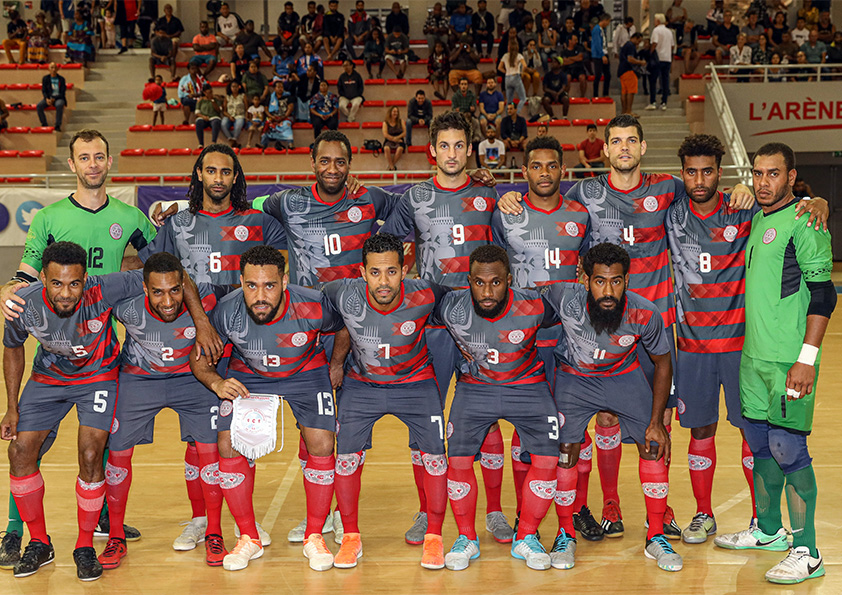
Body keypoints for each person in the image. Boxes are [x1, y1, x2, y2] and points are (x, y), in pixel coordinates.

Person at [1, 241, 211, 580]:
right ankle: (39, 542)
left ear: (88, 279)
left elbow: (176, 275)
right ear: (43, 278)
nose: (66, 293)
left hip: (98, 377)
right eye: (56, 284)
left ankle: (85, 545)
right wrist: (11, 407)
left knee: (90, 453)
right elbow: (12, 349)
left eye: (74, 283)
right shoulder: (24, 304)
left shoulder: (108, 287)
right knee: (20, 450)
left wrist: (201, 322)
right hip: (48, 379)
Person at [380, 112, 509, 544]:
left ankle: (493, 511)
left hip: (482, 323)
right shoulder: (413, 198)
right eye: (444, 146)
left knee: (487, 419)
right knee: (427, 419)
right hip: (431, 323)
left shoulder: (488, 195)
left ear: (469, 150)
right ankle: (426, 510)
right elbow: (386, 252)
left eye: (460, 145)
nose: (452, 153)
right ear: (431, 150)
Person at [714, 142, 834, 585]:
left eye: (773, 174)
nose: (764, 182)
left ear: (790, 176)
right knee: (761, 447)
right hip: (753, 358)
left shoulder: (805, 219)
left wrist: (806, 359)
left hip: (788, 360)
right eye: (758, 173)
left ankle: (808, 551)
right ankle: (769, 532)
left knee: (788, 449)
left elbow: (824, 294)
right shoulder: (757, 219)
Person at [190, 246, 343, 572]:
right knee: (227, 443)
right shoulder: (226, 311)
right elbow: (199, 356)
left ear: (284, 281)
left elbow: (341, 329)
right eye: (251, 286)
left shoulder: (312, 305)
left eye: (269, 286)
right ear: (241, 282)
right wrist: (217, 383)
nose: (260, 295)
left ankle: (315, 535)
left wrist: (337, 365)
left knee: (322, 442)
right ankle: (248, 537)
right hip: (249, 375)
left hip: (305, 372)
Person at [545, 242, 680, 572]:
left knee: (652, 446)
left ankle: (656, 535)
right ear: (585, 280)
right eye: (600, 281)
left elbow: (663, 364)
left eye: (616, 281)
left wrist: (657, 421)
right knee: (565, 450)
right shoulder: (562, 296)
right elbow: (517, 304)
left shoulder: (644, 312)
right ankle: (565, 533)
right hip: (575, 379)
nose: (608, 290)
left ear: (627, 281)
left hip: (623, 377)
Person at [322, 233, 449, 570]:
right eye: (375, 272)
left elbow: (467, 312)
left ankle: (434, 537)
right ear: (362, 272)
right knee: (346, 458)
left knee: (436, 458)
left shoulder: (427, 293)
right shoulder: (341, 293)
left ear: (405, 269)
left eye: (392, 272)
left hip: (416, 383)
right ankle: (350, 536)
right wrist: (335, 364)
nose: (383, 281)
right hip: (363, 386)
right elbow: (324, 322)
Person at [96, 254, 228, 570]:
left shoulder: (208, 295)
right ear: (144, 289)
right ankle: (115, 535)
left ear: (185, 287)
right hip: (139, 380)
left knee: (210, 450)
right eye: (157, 292)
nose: (167, 300)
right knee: (117, 453)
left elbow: (244, 298)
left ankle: (213, 531)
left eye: (174, 291)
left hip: (191, 378)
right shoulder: (124, 304)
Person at [436, 245, 560, 572]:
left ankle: (527, 537)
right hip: (476, 389)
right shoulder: (450, 307)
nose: (487, 292)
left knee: (548, 459)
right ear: (468, 281)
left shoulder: (535, 304)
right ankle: (466, 538)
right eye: (478, 283)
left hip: (528, 386)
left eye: (495, 283)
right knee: (458, 459)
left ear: (510, 280)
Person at [646, 13, 675, 111]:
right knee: (665, 80)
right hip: (667, 58)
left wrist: (650, 52)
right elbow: (672, 45)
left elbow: (654, 43)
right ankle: (664, 102)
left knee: (653, 80)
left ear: (657, 21)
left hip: (658, 58)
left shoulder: (656, 30)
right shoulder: (669, 31)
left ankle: (653, 101)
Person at [261, 80, 294, 149]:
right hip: (273, 117)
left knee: (287, 124)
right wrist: (272, 117)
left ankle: (290, 143)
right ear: (274, 88)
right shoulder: (270, 97)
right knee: (268, 125)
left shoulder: (288, 96)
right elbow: (266, 110)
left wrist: (283, 117)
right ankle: (263, 144)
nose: (280, 88)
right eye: (278, 87)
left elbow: (290, 108)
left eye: (282, 87)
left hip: (285, 117)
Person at [618, 32, 645, 116]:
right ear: (635, 38)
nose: (638, 43)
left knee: (624, 92)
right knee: (630, 91)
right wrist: (640, 62)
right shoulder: (630, 46)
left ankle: (624, 111)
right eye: (639, 41)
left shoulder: (626, 45)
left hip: (622, 71)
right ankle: (629, 111)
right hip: (628, 70)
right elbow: (630, 59)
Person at [499, 41, 527, 116]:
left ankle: (508, 115)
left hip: (507, 78)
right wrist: (522, 72)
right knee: (523, 98)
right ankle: (516, 113)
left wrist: (506, 72)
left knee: (509, 101)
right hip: (516, 77)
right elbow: (525, 66)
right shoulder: (519, 56)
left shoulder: (505, 56)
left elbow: (499, 67)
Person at [37, 62, 67, 132]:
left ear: (57, 69)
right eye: (52, 68)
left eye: (55, 68)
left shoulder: (61, 79)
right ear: (48, 69)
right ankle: (44, 124)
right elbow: (44, 90)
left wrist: (54, 99)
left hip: (59, 98)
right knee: (39, 106)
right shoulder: (45, 78)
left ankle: (57, 125)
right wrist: (47, 98)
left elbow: (62, 92)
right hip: (49, 97)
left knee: (59, 105)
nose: (53, 69)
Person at [591, 12, 611, 98]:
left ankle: (605, 93)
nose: (608, 24)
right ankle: (595, 94)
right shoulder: (596, 29)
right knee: (598, 75)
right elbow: (597, 43)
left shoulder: (602, 29)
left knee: (608, 75)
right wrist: (602, 54)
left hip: (604, 53)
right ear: (605, 20)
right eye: (608, 21)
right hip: (598, 55)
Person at [560, 33, 587, 98]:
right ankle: (565, 95)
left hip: (578, 68)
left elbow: (580, 58)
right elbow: (564, 62)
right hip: (568, 69)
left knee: (582, 78)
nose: (577, 41)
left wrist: (569, 58)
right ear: (570, 41)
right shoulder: (564, 52)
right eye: (575, 40)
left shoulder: (580, 48)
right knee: (567, 78)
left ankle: (582, 96)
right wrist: (575, 59)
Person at [222, 80, 247, 147]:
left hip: (240, 115)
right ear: (230, 87)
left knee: (238, 125)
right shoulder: (227, 97)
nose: (235, 88)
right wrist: (229, 116)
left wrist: (246, 117)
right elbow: (224, 111)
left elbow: (246, 108)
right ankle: (232, 140)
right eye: (233, 86)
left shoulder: (243, 96)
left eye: (236, 86)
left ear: (239, 87)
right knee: (223, 124)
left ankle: (233, 141)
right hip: (229, 115)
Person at [382, 106, 406, 171]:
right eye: (394, 112)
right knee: (386, 148)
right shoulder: (385, 122)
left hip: (399, 139)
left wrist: (397, 138)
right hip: (389, 139)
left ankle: (391, 165)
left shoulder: (401, 121)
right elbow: (385, 134)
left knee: (400, 149)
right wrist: (393, 139)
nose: (396, 113)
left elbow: (404, 133)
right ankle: (392, 166)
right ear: (390, 112)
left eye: (397, 112)